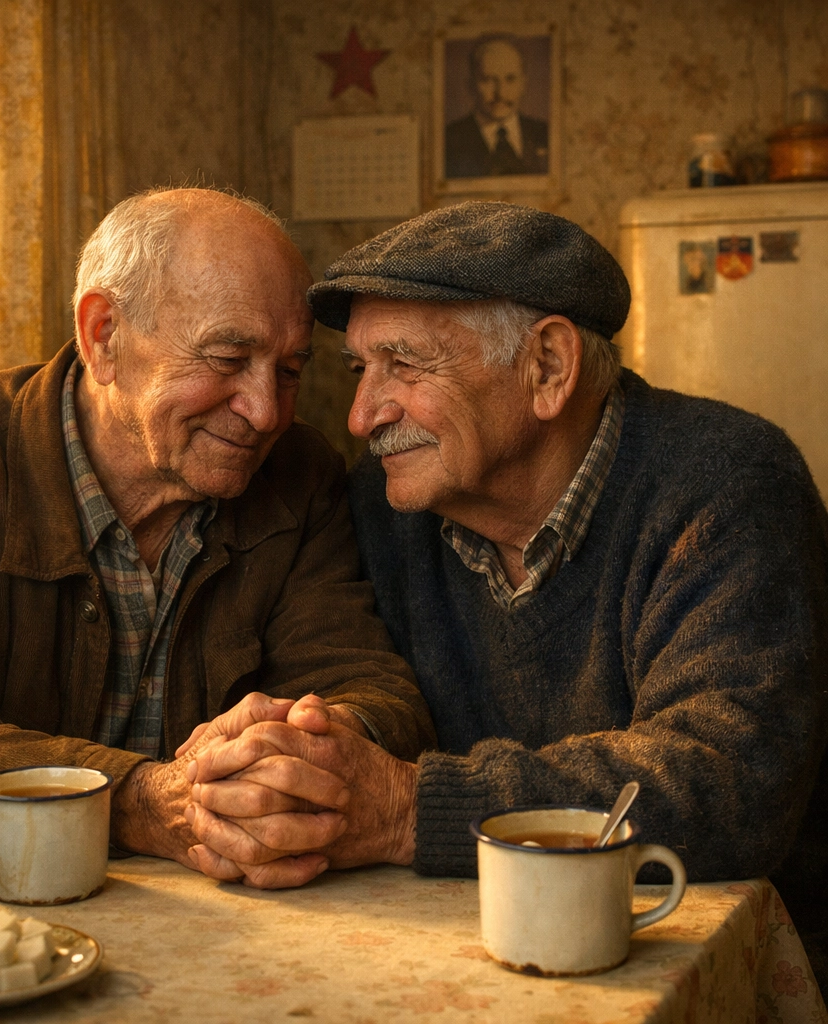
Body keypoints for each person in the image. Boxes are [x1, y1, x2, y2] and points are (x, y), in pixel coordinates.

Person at [182, 203, 828, 983]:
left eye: (405, 365)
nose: (360, 417)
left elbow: (729, 779)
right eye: (359, 369)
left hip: (710, 969)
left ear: (548, 368)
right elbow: (352, 706)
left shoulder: (728, 485)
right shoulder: (383, 511)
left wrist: (408, 808)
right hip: (467, 956)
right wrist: (292, 758)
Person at [0, 187, 435, 866]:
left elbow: (374, 690)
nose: (265, 412)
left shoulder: (300, 474)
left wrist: (318, 742)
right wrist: (140, 800)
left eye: (288, 370)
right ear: (103, 335)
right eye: (228, 360)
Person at [445, 37, 549, 178]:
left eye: (510, 79)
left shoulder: (545, 134)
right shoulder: (448, 142)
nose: (500, 93)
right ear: (471, 85)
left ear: (523, 83)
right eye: (488, 80)